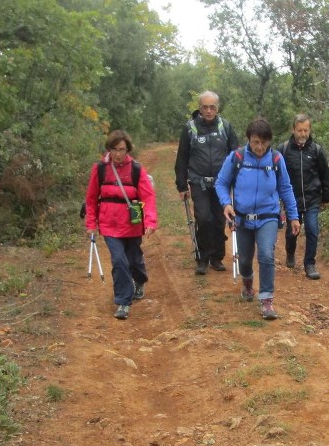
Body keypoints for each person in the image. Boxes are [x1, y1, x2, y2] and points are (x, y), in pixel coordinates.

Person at [216, 117, 300, 320]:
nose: (260, 147)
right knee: (245, 259)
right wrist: (226, 203)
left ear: (270, 141)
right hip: (242, 218)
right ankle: (247, 281)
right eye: (255, 141)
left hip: (268, 217)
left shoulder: (277, 160)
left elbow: (286, 189)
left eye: (264, 142)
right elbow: (221, 182)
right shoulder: (237, 157)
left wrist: (293, 216)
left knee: (266, 254)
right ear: (248, 139)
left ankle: (266, 300)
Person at [84, 130, 157, 320]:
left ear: (128, 150)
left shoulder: (136, 169)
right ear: (109, 149)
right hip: (109, 224)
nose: (118, 154)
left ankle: (139, 280)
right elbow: (91, 199)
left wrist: (150, 221)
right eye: (115, 149)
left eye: (122, 150)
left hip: (131, 224)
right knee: (119, 261)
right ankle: (123, 301)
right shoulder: (99, 169)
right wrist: (91, 223)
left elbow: (148, 197)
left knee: (134, 259)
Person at [174, 91, 238, 275]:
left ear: (217, 108)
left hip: (221, 183)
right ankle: (202, 258)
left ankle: (217, 257)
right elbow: (182, 158)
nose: (209, 110)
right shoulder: (190, 129)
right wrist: (181, 185)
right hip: (198, 181)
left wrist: (237, 180)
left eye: (212, 107)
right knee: (203, 218)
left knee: (219, 219)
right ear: (199, 108)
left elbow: (235, 155)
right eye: (205, 107)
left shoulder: (225, 127)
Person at [278, 113, 329, 280]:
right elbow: (276, 173)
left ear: (309, 130)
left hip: (312, 198)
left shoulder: (316, 150)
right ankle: (290, 253)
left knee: (312, 230)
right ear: (293, 129)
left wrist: (326, 196)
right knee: (291, 231)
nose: (303, 134)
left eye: (306, 130)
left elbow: (325, 174)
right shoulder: (284, 149)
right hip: (291, 199)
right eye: (300, 130)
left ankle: (309, 263)